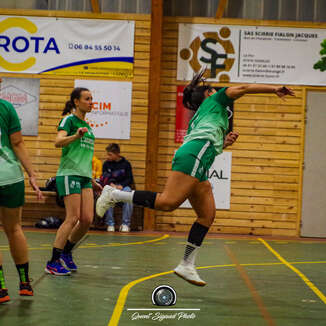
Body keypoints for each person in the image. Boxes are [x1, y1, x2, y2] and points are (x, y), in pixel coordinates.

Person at [96, 69, 295, 286]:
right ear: (209, 93)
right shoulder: (217, 99)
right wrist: (274, 88)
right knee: (167, 203)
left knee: (207, 215)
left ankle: (187, 264)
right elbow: (245, 88)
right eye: (213, 89)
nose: (218, 91)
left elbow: (208, 143)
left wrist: (224, 142)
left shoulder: (204, 114)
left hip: (200, 156)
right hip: (194, 154)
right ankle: (114, 194)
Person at [45, 87, 102, 276]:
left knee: (87, 220)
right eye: (87, 99)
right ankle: (53, 262)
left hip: (84, 177)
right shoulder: (69, 120)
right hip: (69, 174)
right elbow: (57, 142)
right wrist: (76, 135)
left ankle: (67, 252)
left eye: (92, 99)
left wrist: (92, 180)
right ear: (76, 102)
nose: (91, 102)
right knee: (72, 218)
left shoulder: (89, 127)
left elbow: (84, 157)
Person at [0, 98, 43, 303]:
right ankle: (25, 284)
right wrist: (32, 174)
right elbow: (17, 142)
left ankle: (0, 288)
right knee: (15, 229)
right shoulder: (6, 107)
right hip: (10, 177)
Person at [100, 143, 134, 233]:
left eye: (110, 154)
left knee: (129, 195)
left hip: (123, 187)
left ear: (117, 154)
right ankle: (110, 224)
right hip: (111, 187)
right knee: (107, 196)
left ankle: (125, 224)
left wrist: (121, 186)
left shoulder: (126, 164)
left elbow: (129, 178)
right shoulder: (106, 164)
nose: (108, 156)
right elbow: (104, 178)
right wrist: (111, 184)